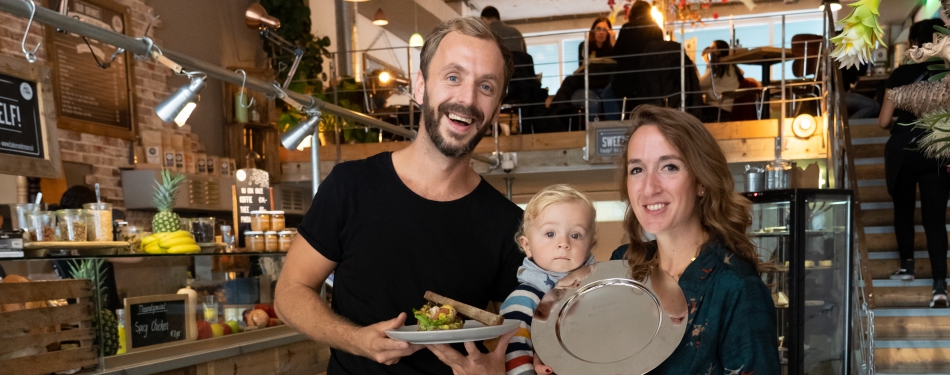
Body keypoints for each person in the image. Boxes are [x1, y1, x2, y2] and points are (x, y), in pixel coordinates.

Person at [275, 17, 524, 375]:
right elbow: (289, 293)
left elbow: (519, 330)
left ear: (497, 107)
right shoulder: (351, 186)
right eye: (453, 77)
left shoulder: (507, 223)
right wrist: (355, 339)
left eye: (485, 87)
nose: (467, 99)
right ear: (421, 87)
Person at [610, 105, 780, 373]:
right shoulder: (624, 263)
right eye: (637, 170)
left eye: (669, 167)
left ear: (701, 181)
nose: (649, 187)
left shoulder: (734, 286)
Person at [879, 18, 949, 307]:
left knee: (903, 210)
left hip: (904, 149)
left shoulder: (899, 75)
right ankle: (939, 286)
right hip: (937, 150)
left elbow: (883, 121)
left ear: (912, 45)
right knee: (935, 221)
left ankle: (907, 266)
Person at [500, 185, 597, 375]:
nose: (564, 243)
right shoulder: (523, 299)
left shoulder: (598, 291)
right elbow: (513, 352)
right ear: (527, 246)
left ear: (590, 246)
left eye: (575, 235)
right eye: (550, 234)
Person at [699, 40, 743, 122]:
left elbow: (702, 83)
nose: (709, 50)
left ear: (719, 51)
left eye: (712, 48)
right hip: (728, 107)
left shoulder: (718, 66)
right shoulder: (730, 66)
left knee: (693, 111)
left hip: (719, 107)